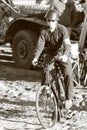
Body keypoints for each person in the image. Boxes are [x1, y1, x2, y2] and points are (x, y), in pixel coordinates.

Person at [32, 9, 73, 110]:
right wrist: (35, 57)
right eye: (48, 20)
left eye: (53, 21)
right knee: (45, 70)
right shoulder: (43, 31)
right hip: (50, 54)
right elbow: (39, 45)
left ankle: (69, 98)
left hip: (62, 53)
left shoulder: (63, 30)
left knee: (68, 73)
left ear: (57, 21)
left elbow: (67, 45)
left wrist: (65, 56)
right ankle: (44, 92)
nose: (50, 23)